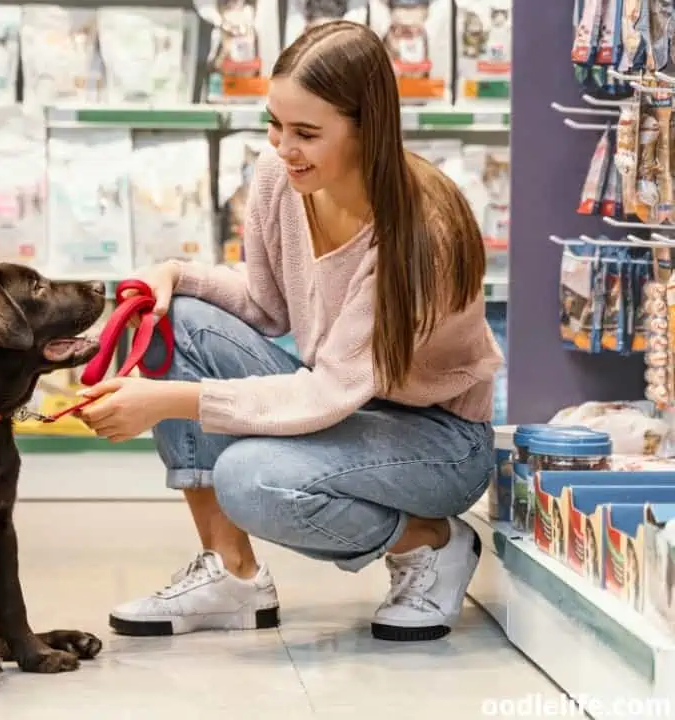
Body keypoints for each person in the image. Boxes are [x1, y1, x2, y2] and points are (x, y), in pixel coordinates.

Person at [77, 20, 503, 642]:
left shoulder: (419, 237)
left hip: (437, 441)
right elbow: (266, 305)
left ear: (369, 130)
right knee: (175, 321)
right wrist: (171, 274)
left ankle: (431, 542)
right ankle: (233, 575)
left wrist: (168, 403)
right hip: (343, 404)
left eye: (306, 133)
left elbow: (326, 392)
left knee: (251, 478)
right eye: (275, 124)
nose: (282, 146)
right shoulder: (283, 177)